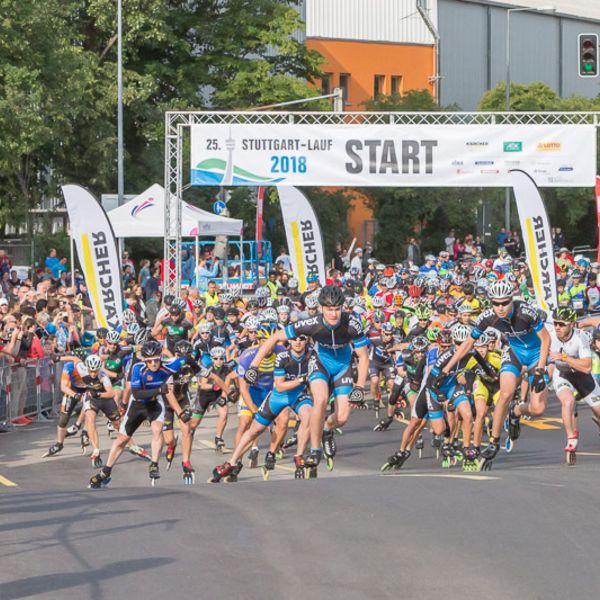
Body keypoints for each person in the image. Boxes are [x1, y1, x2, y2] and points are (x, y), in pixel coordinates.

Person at [244, 285, 369, 477]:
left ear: (343, 308)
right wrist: (254, 366)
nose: (334, 314)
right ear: (320, 308)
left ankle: (327, 427)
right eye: (329, 309)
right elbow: (275, 338)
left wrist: (360, 386)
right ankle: (316, 449)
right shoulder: (311, 323)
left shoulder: (353, 323)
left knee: (342, 418)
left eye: (337, 309)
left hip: (343, 366)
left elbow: (363, 355)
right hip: (320, 363)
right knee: (320, 400)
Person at [440, 279, 550, 468]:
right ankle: (494, 442)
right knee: (505, 393)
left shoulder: (525, 312)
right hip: (514, 352)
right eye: (496, 303)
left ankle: (516, 411)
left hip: (535, 356)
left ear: (511, 300)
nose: (500, 307)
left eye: (504, 303)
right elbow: (467, 344)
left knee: (538, 409)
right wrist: (446, 367)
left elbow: (546, 339)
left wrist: (540, 369)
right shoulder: (488, 317)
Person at [88, 340, 191, 488]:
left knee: (157, 429)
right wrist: (158, 390)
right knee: (122, 439)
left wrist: (199, 370)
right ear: (144, 360)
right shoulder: (137, 368)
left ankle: (154, 464)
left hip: (155, 404)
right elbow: (137, 392)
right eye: (150, 361)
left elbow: (186, 359)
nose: (154, 364)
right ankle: (106, 471)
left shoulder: (168, 366)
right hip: (137, 404)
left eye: (156, 360)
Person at [549, 307, 600, 464]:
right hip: (563, 374)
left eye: (561, 324)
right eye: (555, 323)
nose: (557, 327)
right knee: (568, 401)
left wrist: (565, 357)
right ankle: (572, 438)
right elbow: (546, 360)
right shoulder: (550, 337)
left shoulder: (580, 338)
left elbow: (586, 367)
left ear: (571, 324)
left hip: (582, 375)